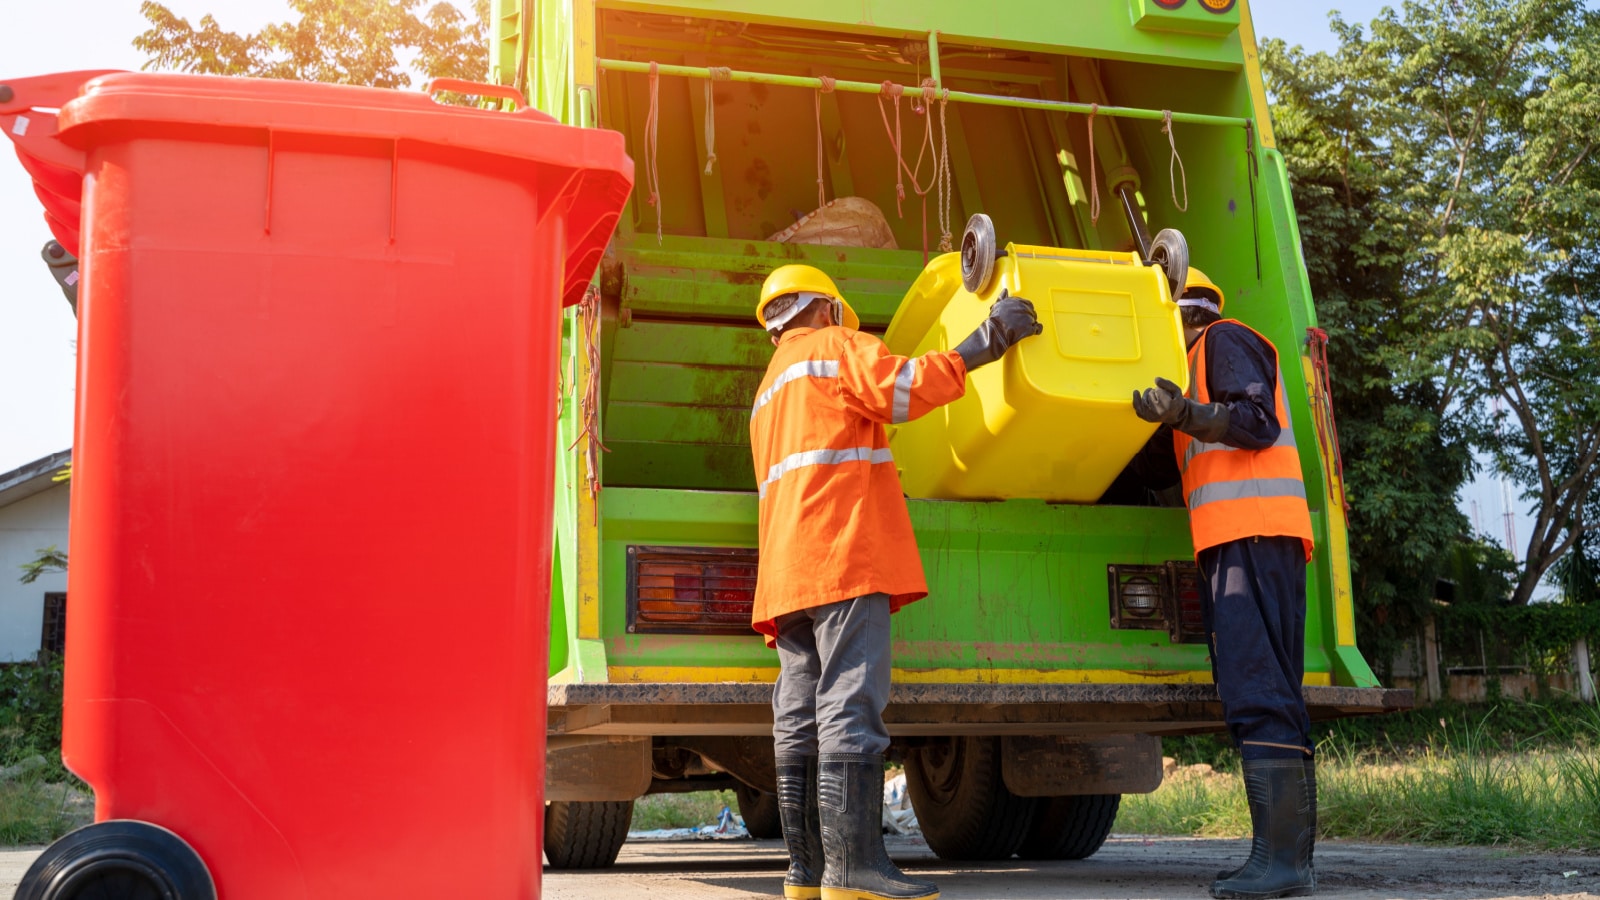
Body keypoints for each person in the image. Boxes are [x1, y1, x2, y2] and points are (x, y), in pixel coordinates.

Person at [749, 264, 1040, 900]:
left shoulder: (769, 388)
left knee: (798, 711)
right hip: (844, 552)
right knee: (850, 701)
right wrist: (987, 341)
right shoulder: (837, 347)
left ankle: (806, 872)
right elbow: (901, 390)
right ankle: (853, 871)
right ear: (826, 309)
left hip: (788, 571)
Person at [1131, 268, 1318, 900]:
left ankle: (1281, 862)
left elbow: (1255, 422)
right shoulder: (1191, 367)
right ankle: (1289, 860)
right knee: (1268, 689)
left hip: (1253, 534)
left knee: (1257, 686)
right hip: (1249, 538)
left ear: (1181, 313)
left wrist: (1185, 410)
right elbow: (1161, 461)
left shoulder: (1221, 341)